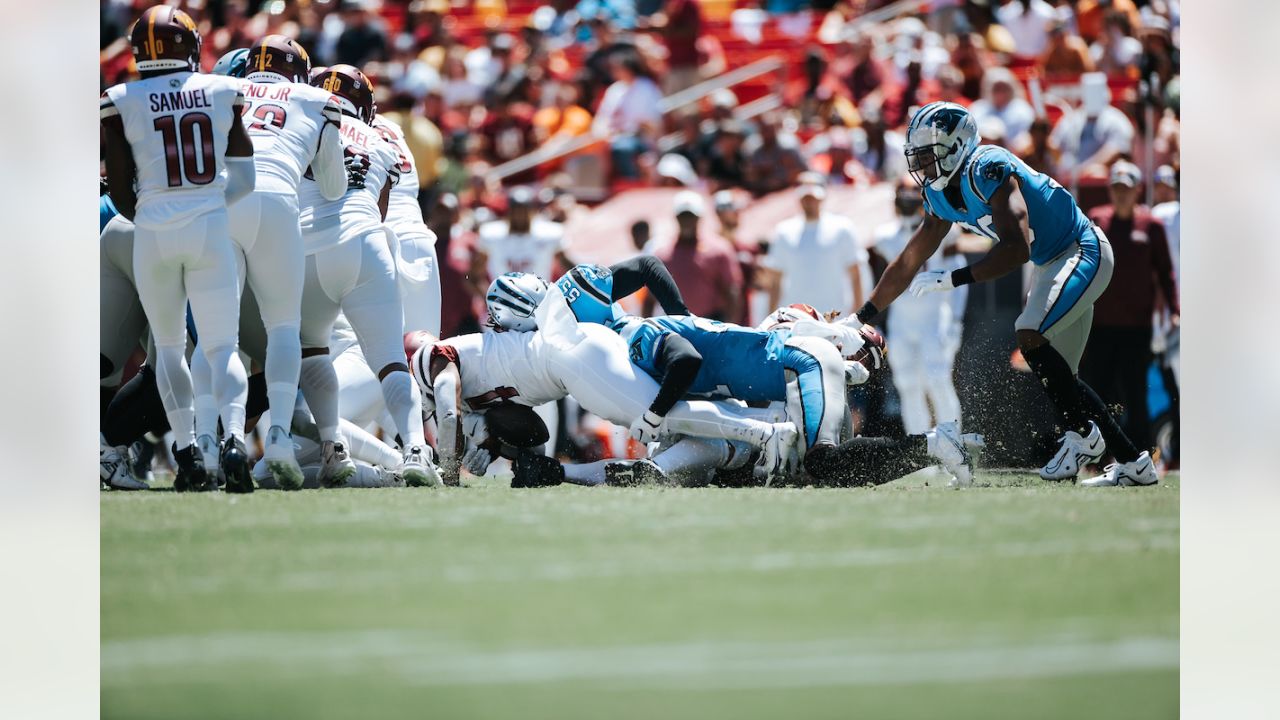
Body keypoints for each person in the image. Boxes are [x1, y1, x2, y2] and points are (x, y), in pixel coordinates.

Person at [858, 101, 1157, 487]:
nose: (924, 166)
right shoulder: (940, 195)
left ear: (957, 146)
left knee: (1029, 336)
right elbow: (908, 259)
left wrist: (955, 278)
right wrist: (862, 315)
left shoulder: (987, 167)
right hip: (1051, 261)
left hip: (1080, 249)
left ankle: (1083, 436)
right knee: (1060, 376)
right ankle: (1134, 462)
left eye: (930, 155)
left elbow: (1017, 249)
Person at [100, 7, 255, 492]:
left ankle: (187, 453)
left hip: (152, 231)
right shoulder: (222, 90)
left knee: (167, 349)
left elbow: (119, 188)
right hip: (208, 226)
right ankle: (232, 439)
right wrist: (204, 203)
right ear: (189, 45)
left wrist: (152, 215)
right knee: (222, 346)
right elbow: (245, 179)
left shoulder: (119, 98)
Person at [193, 38, 348, 490]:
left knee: (215, 335)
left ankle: (208, 443)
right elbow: (335, 188)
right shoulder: (317, 98)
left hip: (224, 201)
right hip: (279, 201)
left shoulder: (220, 88)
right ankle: (278, 438)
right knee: (284, 327)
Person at [298, 64, 438, 487]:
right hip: (385, 242)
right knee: (397, 361)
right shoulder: (385, 134)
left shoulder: (306, 123)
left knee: (311, 354)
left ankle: (351, 448)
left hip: (315, 244)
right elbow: (380, 204)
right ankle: (418, 449)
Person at [1080, 161, 1179, 460]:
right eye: (1117, 188)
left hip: (1137, 326)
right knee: (1098, 393)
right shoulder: (1097, 220)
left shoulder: (1152, 226)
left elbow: (1165, 272)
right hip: (1100, 325)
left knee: (1136, 393)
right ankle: (1097, 458)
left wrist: (1175, 309)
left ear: (1138, 190)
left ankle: (1139, 457)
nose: (1121, 194)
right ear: (1110, 190)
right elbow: (1083, 263)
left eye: (1127, 188)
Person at [873, 181, 967, 434]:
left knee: (938, 381)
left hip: (934, 317)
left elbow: (958, 276)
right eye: (903, 196)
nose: (907, 201)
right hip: (901, 321)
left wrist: (956, 319)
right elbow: (880, 281)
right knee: (907, 384)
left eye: (912, 195)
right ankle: (919, 451)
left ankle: (953, 442)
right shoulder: (884, 237)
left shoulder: (943, 230)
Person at [758, 176, 868, 318]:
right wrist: (771, 318)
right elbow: (776, 280)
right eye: (806, 197)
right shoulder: (783, 232)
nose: (809, 202)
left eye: (813, 197)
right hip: (796, 319)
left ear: (822, 198)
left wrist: (857, 317)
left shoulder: (842, 229)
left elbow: (855, 275)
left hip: (833, 318)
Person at [649, 191, 742, 321]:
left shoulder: (719, 249)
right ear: (676, 218)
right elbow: (650, 298)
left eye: (691, 217)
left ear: (699, 218)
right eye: (683, 216)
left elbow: (732, 291)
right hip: (674, 324)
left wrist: (731, 329)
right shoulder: (663, 255)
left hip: (711, 323)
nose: (687, 221)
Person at [473, 186, 571, 286]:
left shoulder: (550, 233)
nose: (519, 217)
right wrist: (487, 297)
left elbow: (568, 269)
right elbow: (473, 276)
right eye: (516, 212)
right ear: (509, 213)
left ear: (532, 212)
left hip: (540, 298)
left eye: (523, 212)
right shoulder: (491, 235)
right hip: (503, 298)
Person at [1050, 73, 1135, 179]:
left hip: (1096, 181)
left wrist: (1083, 171)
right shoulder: (1072, 119)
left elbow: (1116, 150)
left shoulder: (1116, 119)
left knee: (1098, 174)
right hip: (1068, 177)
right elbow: (1053, 144)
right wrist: (1062, 166)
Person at [968, 67, 1036, 152]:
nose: (1000, 93)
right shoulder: (977, 109)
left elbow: (1025, 140)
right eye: (997, 89)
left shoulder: (1023, 110)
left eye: (1004, 88)